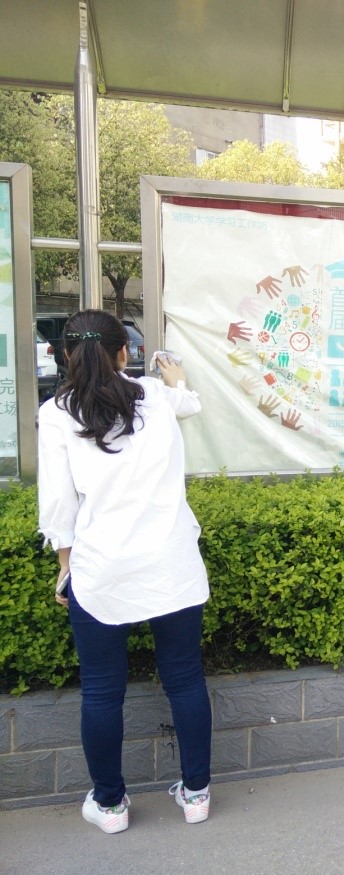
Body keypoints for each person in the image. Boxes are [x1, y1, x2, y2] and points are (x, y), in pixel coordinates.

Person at [37, 310, 213, 833]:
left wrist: (65, 567)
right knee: (184, 678)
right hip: (171, 562)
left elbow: (58, 503)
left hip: (102, 566)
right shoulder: (154, 396)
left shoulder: (56, 413)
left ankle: (111, 806)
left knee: (101, 690)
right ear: (124, 353)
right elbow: (190, 402)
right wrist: (173, 373)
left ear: (65, 355)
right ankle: (197, 795)